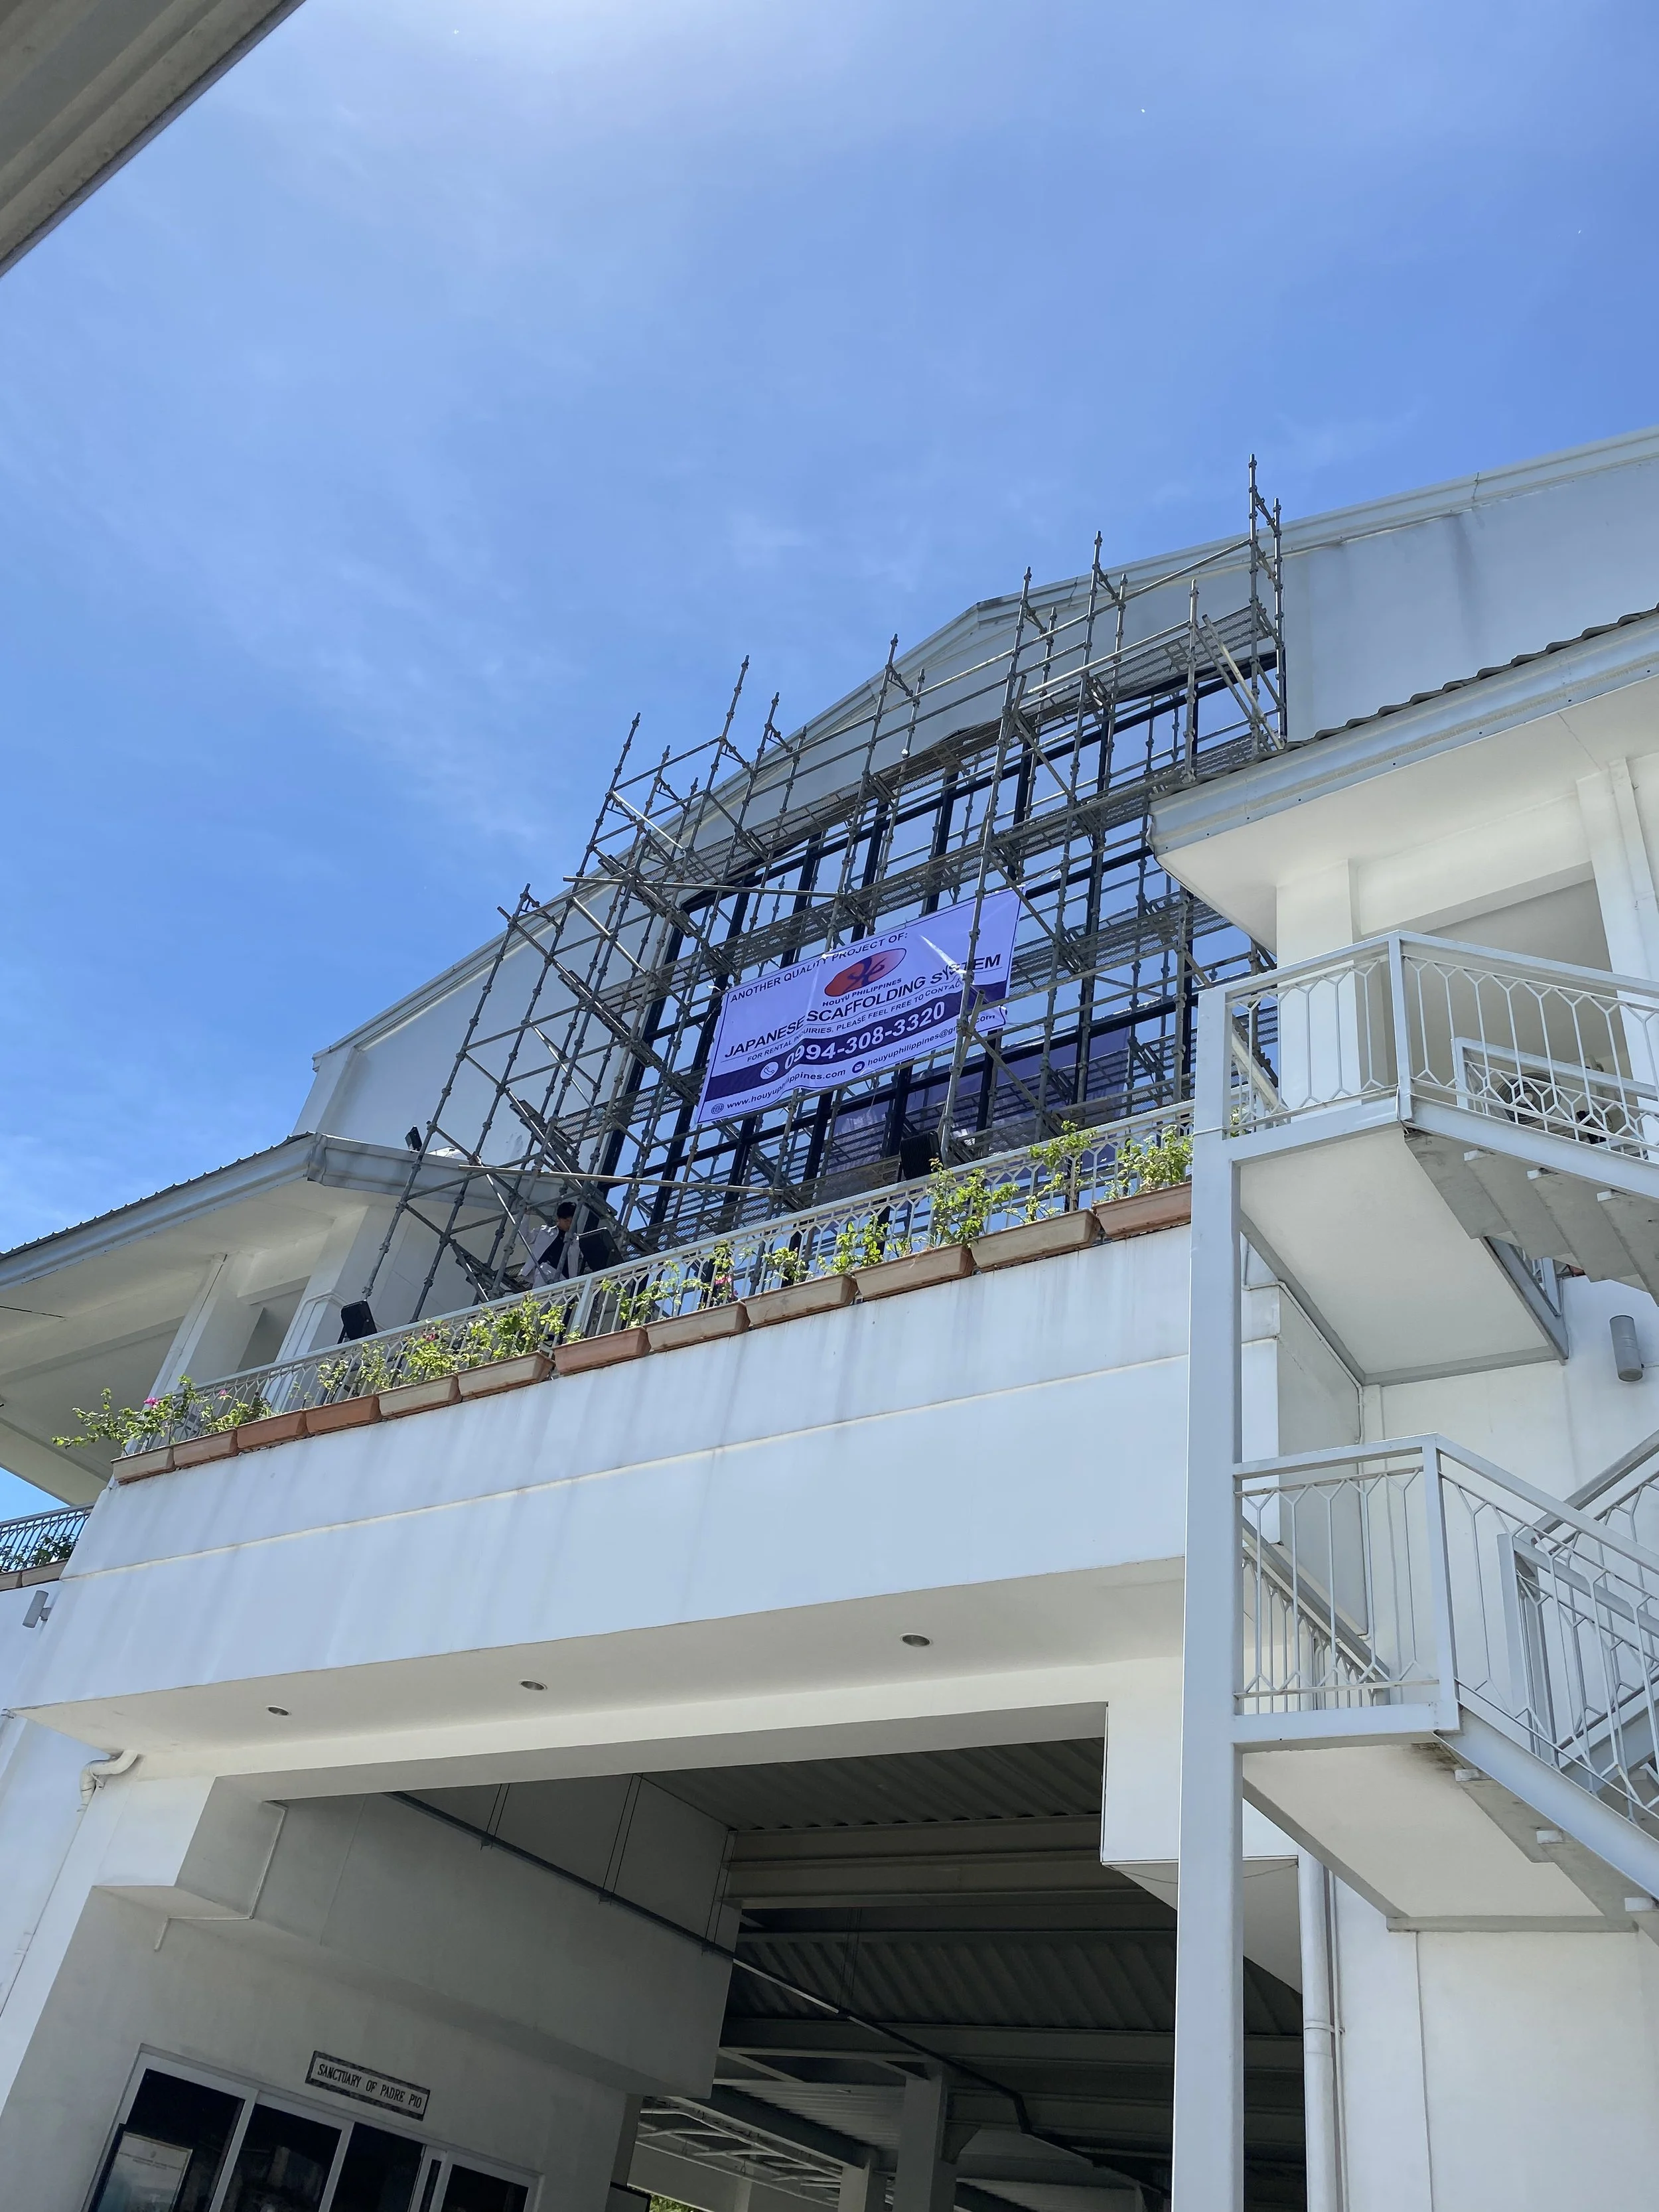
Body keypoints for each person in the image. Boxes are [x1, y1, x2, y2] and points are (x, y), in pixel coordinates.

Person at [528, 1202, 583, 1285]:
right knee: (543, 1273)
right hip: (544, 1272)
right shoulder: (544, 1231)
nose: (569, 1224)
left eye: (572, 1221)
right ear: (558, 1218)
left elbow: (587, 1254)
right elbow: (525, 1237)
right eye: (566, 1221)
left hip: (564, 1278)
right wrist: (526, 1216)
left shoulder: (577, 1240)